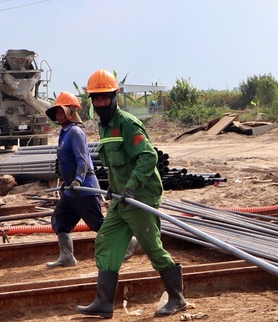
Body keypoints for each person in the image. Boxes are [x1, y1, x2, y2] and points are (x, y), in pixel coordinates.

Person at [77, 69, 186, 319]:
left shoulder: (127, 123)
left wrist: (131, 187)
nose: (101, 103)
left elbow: (148, 157)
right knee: (106, 240)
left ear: (115, 96)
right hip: (121, 198)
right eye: (97, 98)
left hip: (140, 196)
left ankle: (177, 298)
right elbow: (117, 162)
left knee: (151, 246)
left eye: (106, 97)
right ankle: (104, 303)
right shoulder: (104, 127)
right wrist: (114, 187)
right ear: (91, 101)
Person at [44, 91, 104, 268]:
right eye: (57, 113)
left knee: (98, 224)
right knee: (60, 221)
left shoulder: (75, 132)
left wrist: (78, 180)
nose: (59, 116)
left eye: (62, 112)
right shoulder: (64, 133)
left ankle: (129, 242)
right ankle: (67, 257)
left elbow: (82, 159)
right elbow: (66, 161)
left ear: (71, 112)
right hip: (72, 191)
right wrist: (66, 182)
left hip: (84, 188)